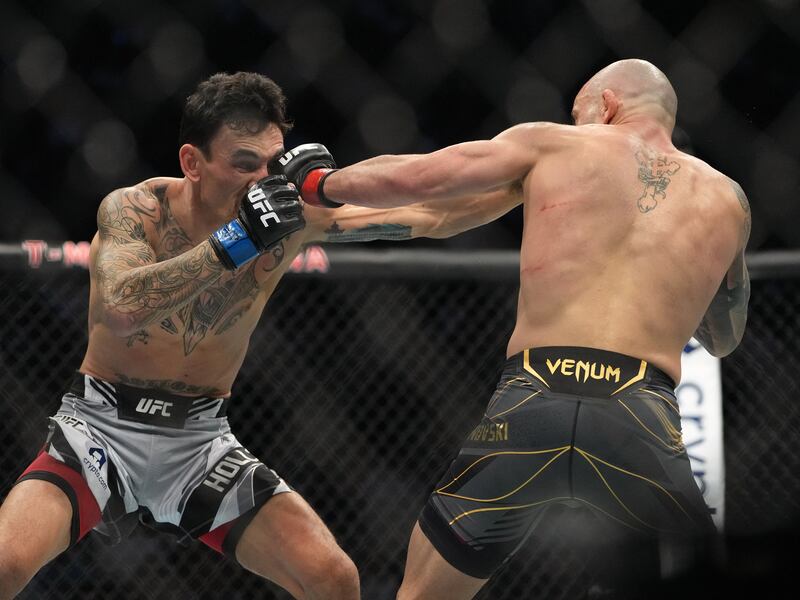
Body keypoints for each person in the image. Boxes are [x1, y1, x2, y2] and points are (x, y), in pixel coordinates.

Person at [0, 72, 523, 599]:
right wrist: (236, 241)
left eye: (270, 165)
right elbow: (120, 308)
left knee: (332, 579)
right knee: (4, 564)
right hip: (100, 430)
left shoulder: (291, 216)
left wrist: (531, 181)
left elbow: (431, 215)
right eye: (243, 164)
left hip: (199, 442)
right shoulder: (137, 210)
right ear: (192, 163)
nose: (259, 182)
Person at [278, 59, 751, 599]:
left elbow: (427, 177)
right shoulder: (727, 200)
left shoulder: (555, 145)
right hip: (640, 414)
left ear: (608, 104)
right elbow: (725, 336)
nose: (578, 126)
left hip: (531, 401)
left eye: (580, 114)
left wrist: (319, 184)